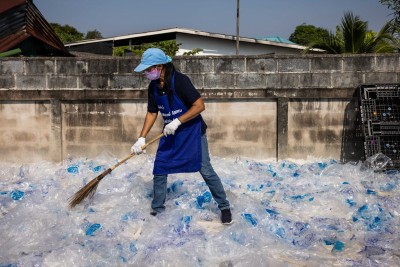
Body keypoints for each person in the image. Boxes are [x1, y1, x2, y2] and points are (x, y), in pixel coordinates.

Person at [131, 48, 232, 224]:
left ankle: (224, 207)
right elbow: (152, 113)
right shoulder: (153, 86)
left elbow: (199, 105)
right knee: (160, 168)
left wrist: (177, 121)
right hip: (170, 132)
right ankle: (157, 209)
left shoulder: (180, 81)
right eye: (146, 70)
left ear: (160, 66)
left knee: (206, 170)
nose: (147, 73)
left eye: (149, 69)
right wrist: (141, 138)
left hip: (192, 132)